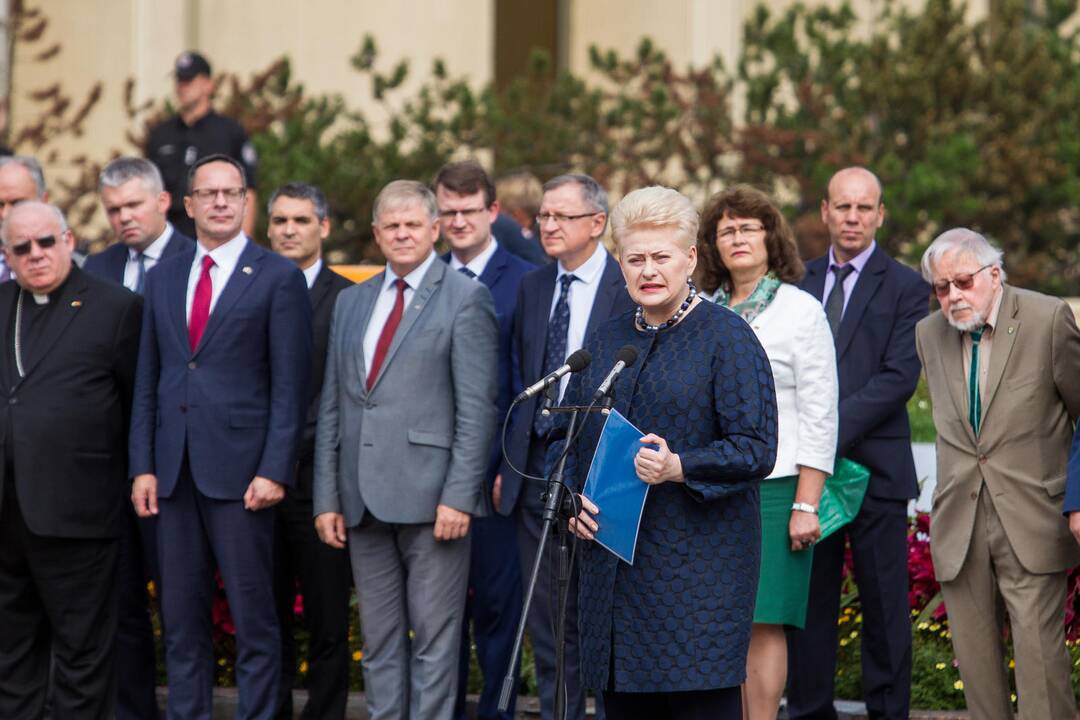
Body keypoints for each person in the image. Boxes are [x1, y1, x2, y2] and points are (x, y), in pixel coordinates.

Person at [565, 185, 778, 719]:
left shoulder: (726, 338)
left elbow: (756, 449)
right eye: (635, 258)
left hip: (695, 579)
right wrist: (572, 502)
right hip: (613, 577)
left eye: (662, 257)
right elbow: (569, 439)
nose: (649, 270)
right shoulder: (609, 337)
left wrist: (680, 466)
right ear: (620, 263)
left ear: (690, 259)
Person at [129, 153, 311, 720]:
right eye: (208, 193)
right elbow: (149, 379)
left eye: (231, 192)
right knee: (181, 625)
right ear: (188, 206)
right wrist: (143, 465)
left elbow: (291, 387)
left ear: (246, 200)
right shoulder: (162, 279)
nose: (220, 202)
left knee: (256, 623)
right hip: (174, 474)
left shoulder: (278, 276)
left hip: (244, 477)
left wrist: (275, 469)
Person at [313, 180, 498, 720]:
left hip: (433, 501)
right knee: (377, 645)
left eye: (413, 224)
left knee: (435, 647)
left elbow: (476, 408)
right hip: (361, 500)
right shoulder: (352, 301)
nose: (401, 234)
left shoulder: (466, 296)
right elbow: (334, 405)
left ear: (435, 229)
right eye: (390, 225)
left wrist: (460, 496)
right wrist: (327, 496)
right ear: (375, 234)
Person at [918, 228, 1080, 719]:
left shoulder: (1047, 318)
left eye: (963, 282)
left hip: (1034, 514)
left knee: (1040, 666)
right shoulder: (928, 334)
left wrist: (1077, 501)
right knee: (977, 672)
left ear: (994, 273)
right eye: (942, 288)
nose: (953, 296)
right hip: (960, 525)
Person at [786, 167, 929, 720]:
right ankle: (808, 710)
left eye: (864, 208)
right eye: (843, 207)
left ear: (880, 215)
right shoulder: (796, 280)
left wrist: (822, 431)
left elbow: (898, 378)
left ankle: (888, 713)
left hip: (876, 473)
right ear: (824, 211)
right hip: (805, 477)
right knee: (810, 606)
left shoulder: (908, 287)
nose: (852, 217)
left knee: (884, 607)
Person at [697, 185, 837, 720]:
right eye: (725, 229)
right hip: (710, 485)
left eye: (748, 227)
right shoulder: (702, 309)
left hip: (777, 490)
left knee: (761, 618)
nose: (736, 238)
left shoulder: (800, 310)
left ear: (770, 237)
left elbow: (823, 411)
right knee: (717, 619)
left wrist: (807, 502)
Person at [0, 201, 142, 718]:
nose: (36, 255)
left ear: (68, 239)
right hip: (7, 515)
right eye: (22, 248)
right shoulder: (1, 304)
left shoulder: (115, 307)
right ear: (7, 255)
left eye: (45, 242)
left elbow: (135, 407)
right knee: (11, 657)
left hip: (78, 514)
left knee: (83, 657)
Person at [500, 173, 634, 720]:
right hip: (537, 464)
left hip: (605, 464)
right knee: (549, 622)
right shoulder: (533, 285)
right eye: (543, 216)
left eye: (562, 216)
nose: (547, 226)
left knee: (600, 616)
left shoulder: (626, 285)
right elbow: (519, 374)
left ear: (597, 223)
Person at [82, 156, 193, 720]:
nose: (124, 217)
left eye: (132, 205)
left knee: (180, 605)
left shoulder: (197, 259)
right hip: (108, 465)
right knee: (121, 601)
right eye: (114, 210)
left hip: (179, 461)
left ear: (163, 201)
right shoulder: (95, 267)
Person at [433, 160, 535, 720]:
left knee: (497, 610)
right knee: (436, 614)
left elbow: (524, 383)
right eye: (447, 211)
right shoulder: (423, 275)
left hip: (496, 474)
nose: (458, 221)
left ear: (492, 212)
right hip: (429, 472)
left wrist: (510, 467)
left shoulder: (525, 280)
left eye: (469, 211)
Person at [266, 182, 354, 720]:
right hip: (257, 481)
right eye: (279, 221)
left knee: (326, 618)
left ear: (322, 227)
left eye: (300, 220)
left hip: (322, 482)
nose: (289, 230)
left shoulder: (348, 296)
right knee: (266, 615)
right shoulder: (250, 289)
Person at [145, 51, 258, 239]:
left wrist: (243, 243)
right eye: (179, 80)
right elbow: (149, 190)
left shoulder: (229, 132)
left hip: (215, 234)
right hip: (169, 237)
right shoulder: (161, 134)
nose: (182, 87)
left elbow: (249, 192)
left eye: (189, 80)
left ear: (208, 85)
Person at [0, 155, 49, 281]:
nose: (5, 214)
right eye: (0, 205)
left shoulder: (75, 267)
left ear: (43, 201)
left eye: (16, 203)